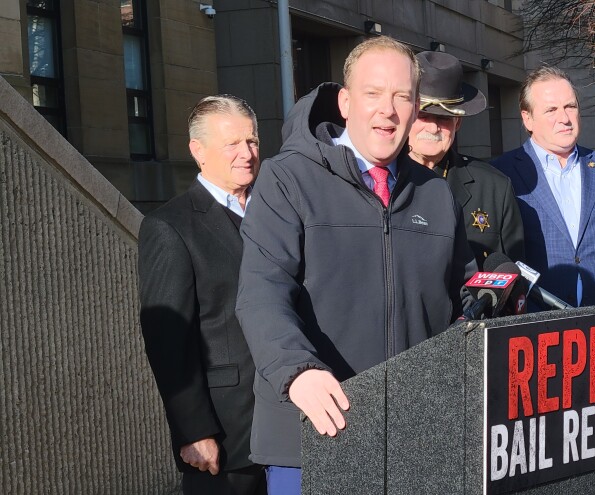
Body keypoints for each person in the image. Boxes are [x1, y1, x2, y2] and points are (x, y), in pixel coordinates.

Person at [235, 36, 476, 494]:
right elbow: (261, 293)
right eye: (373, 93)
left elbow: (457, 298)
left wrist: (488, 305)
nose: (387, 109)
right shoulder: (286, 178)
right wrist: (297, 370)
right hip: (313, 432)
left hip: (414, 436)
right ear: (345, 102)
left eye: (403, 96)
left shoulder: (436, 193)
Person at [138, 95, 266, 495]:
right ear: (198, 151)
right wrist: (193, 430)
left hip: (293, 418)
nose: (246, 153)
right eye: (232, 143)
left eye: (253, 141)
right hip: (226, 434)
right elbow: (168, 341)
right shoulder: (170, 227)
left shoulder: (277, 212)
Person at [492, 66, 595, 308]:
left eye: (570, 106)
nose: (564, 118)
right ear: (527, 119)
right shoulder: (502, 174)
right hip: (534, 330)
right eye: (551, 110)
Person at [408, 51, 524, 269]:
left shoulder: (494, 188)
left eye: (444, 118)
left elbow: (514, 277)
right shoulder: (380, 181)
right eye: (423, 116)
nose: (433, 127)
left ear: (458, 123)